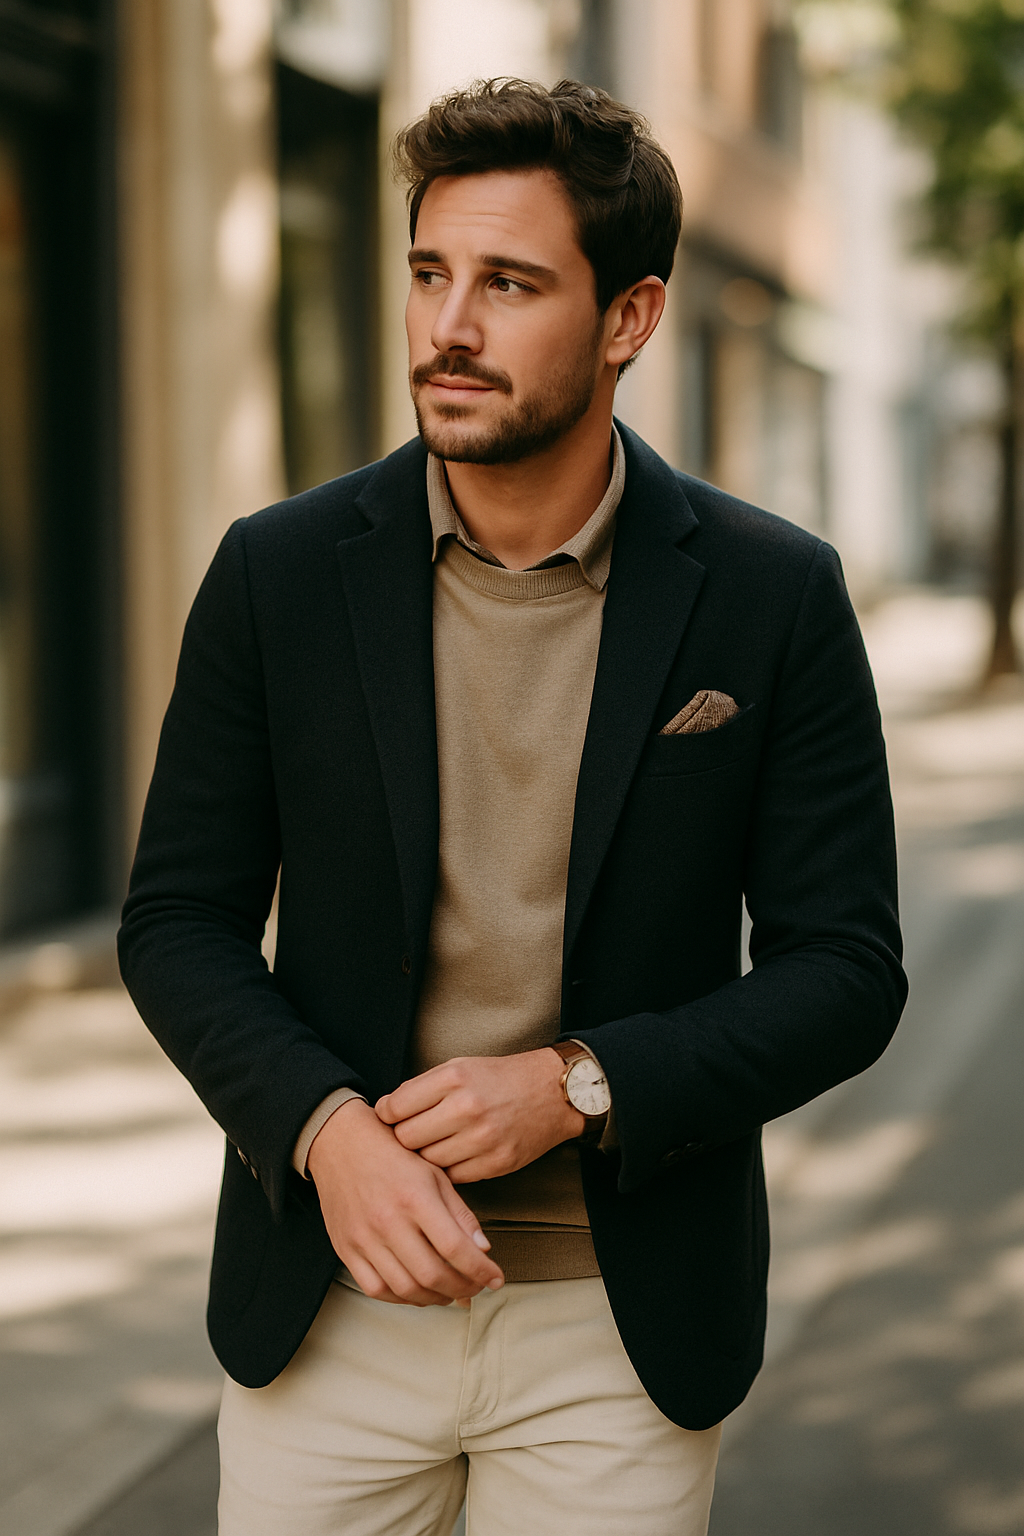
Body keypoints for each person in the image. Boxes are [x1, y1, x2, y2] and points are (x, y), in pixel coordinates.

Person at [118, 78, 907, 1536]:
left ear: (630, 319)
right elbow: (177, 921)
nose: (447, 328)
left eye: (508, 284)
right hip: (329, 1304)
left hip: (616, 1327)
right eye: (429, 274)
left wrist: (578, 1083)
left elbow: (846, 971)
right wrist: (323, 1131)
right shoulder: (276, 576)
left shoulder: (770, 594)